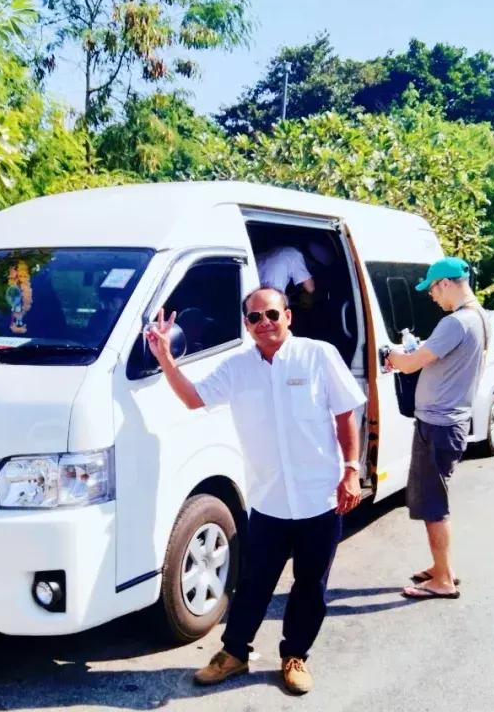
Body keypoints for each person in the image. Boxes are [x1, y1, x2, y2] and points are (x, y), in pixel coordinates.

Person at [144, 287, 367, 695]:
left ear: (287, 316)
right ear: (246, 325)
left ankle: (295, 655)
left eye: (271, 315)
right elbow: (194, 399)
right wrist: (164, 359)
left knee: (310, 585)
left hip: (319, 497)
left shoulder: (317, 355)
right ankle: (233, 654)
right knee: (253, 583)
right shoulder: (237, 368)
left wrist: (351, 470)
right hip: (269, 501)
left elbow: (344, 414)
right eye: (254, 318)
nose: (264, 323)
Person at [385, 257, 487, 601]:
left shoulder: (456, 323)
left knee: (433, 507)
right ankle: (442, 566)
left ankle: (442, 579)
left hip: (439, 424)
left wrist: (393, 356)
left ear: (445, 283)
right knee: (435, 500)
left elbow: (412, 363)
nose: (431, 296)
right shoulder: (478, 318)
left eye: (431, 289)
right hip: (451, 421)